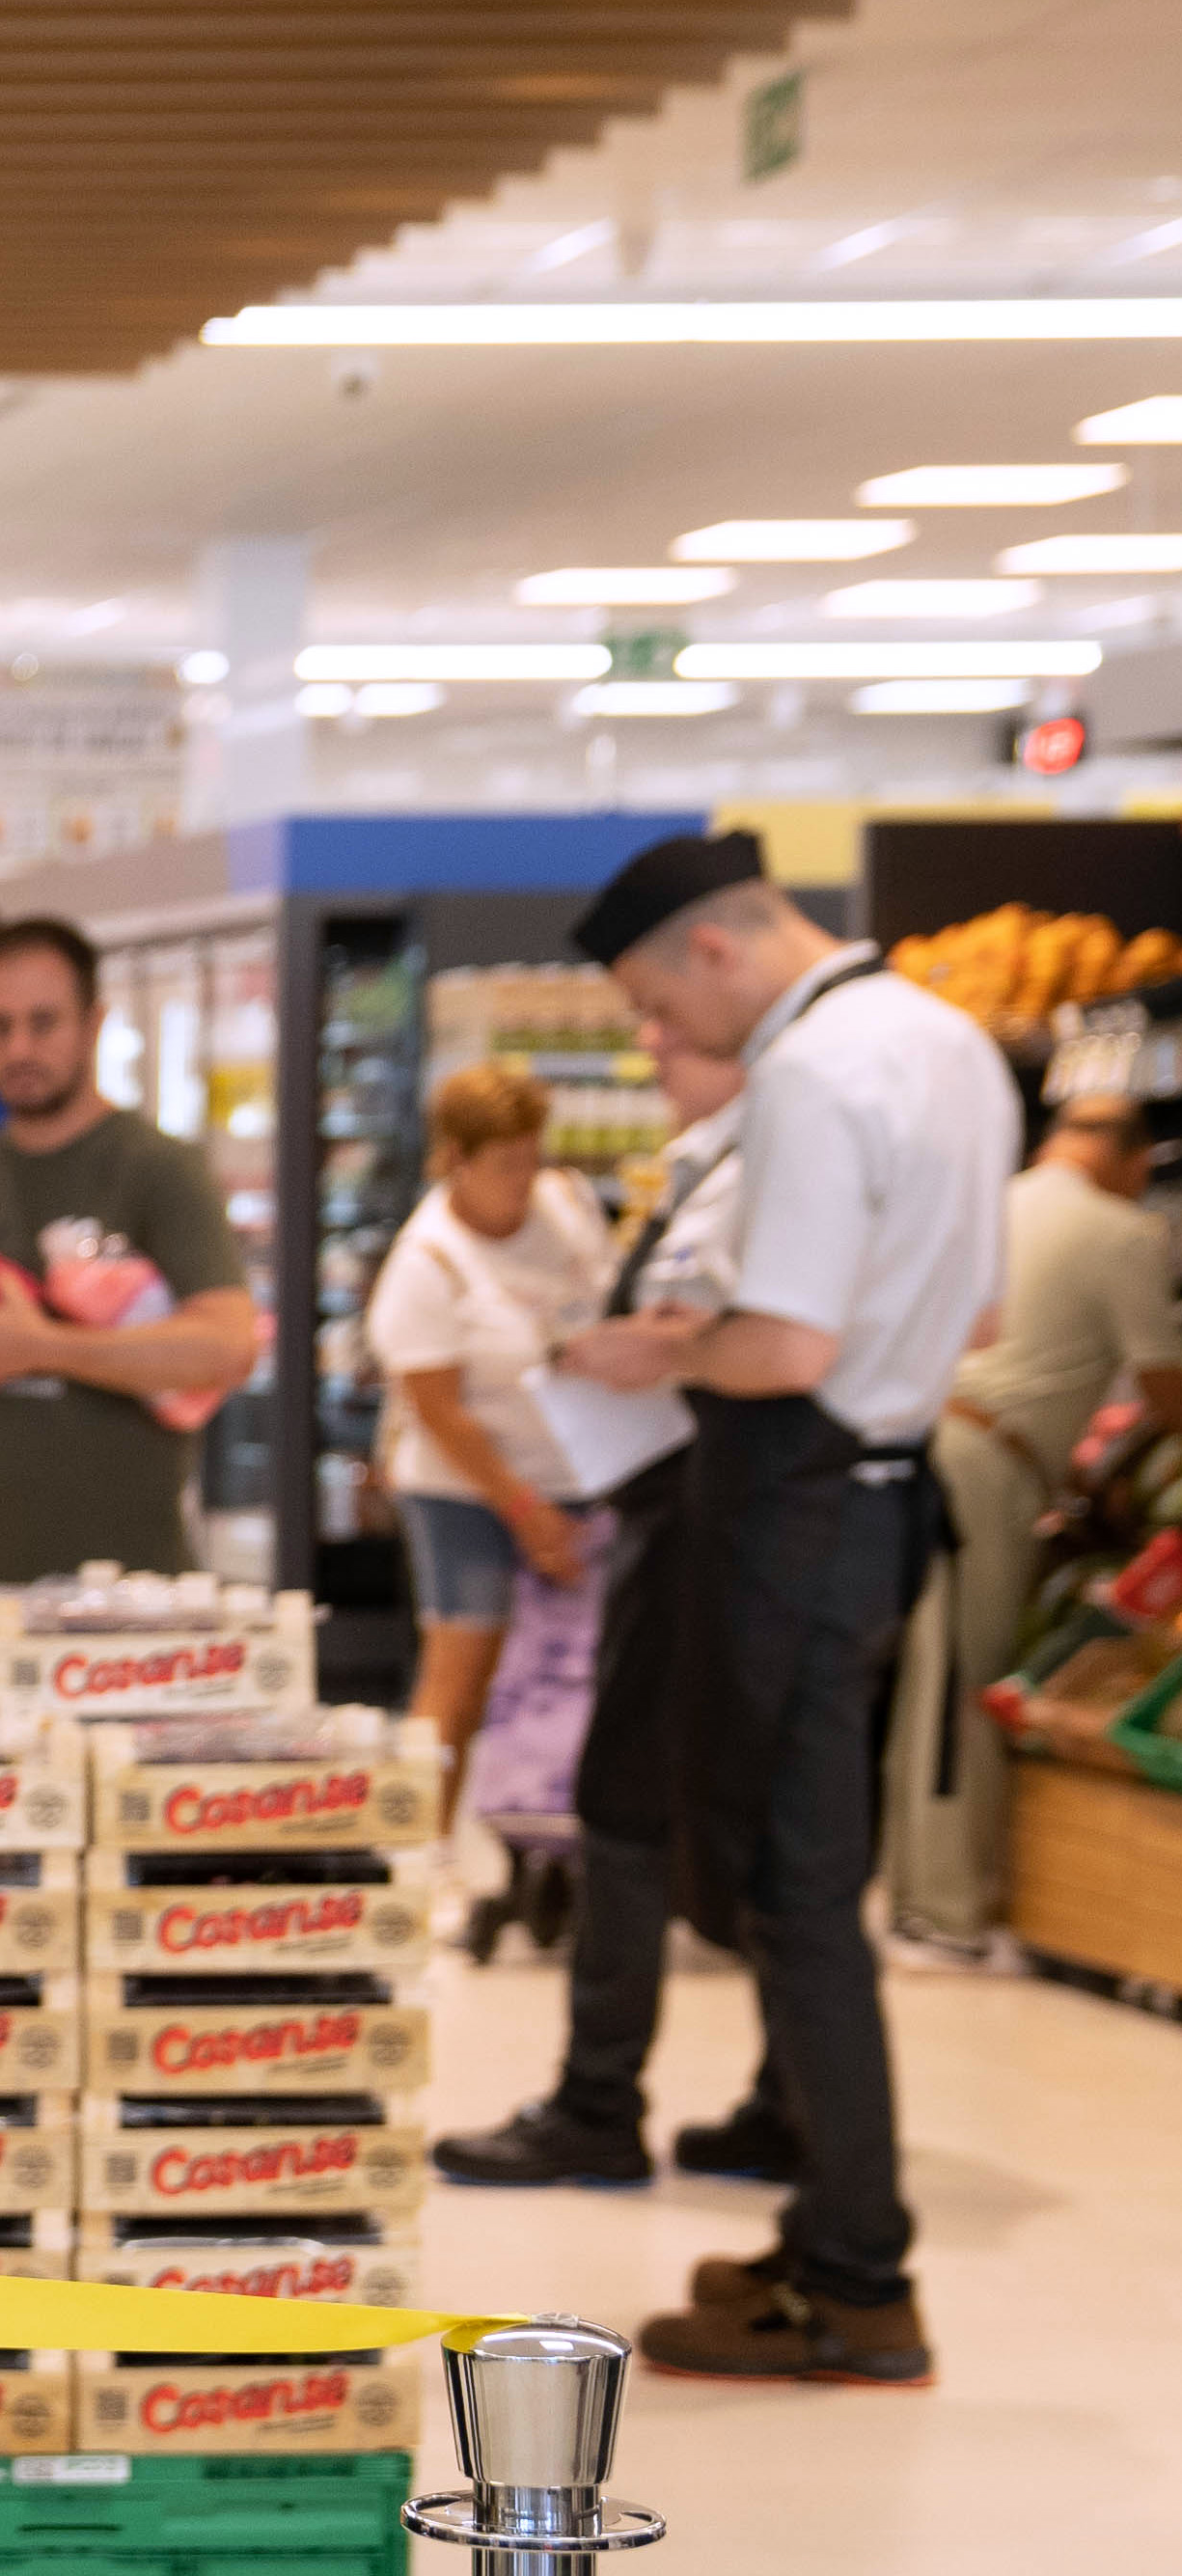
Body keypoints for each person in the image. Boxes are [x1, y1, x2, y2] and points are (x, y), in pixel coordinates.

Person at [543, 830, 1010, 2387]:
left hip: (797, 1511)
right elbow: (977, 1310)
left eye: (653, 1001)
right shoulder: (952, 1037)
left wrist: (662, 1349)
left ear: (716, 949)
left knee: (800, 1898)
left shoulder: (807, 1071)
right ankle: (829, 2229)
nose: (659, 1035)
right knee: (819, 1881)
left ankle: (859, 2277)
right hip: (888, 1494)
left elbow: (788, 1347)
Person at [436, 1022, 773, 2197]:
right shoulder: (717, 1167)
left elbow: (740, 1345)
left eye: (674, 1036)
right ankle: (780, 2106)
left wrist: (638, 1351)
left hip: (699, 1515)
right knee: (747, 1809)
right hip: (694, 1513)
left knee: (628, 1805)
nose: (650, 1052)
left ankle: (598, 2103)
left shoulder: (759, 1169)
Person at [0, 918, 258, 1580]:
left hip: (127, 1593)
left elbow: (226, 1346)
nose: (18, 1048)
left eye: (42, 1024)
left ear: (93, 1024)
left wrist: (44, 1348)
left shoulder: (159, 1168)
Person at [887, 1092, 1182, 1945]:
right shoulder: (1122, 1232)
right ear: (1130, 1163)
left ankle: (910, 1885)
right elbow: (1165, 1386)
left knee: (924, 1673)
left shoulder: (992, 1201)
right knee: (963, 1680)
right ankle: (946, 1911)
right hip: (988, 1466)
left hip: (929, 1439)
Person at [367, 1058, 615, 1805]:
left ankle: (541, 1864)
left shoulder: (567, 1205)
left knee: (568, 1681)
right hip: (463, 1491)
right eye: (507, 1164)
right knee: (462, 1672)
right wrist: (521, 1508)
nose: (525, 1179)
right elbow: (440, 1413)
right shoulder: (427, 1261)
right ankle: (424, 1854)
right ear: (455, 1162)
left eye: (533, 1156)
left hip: (572, 1478)